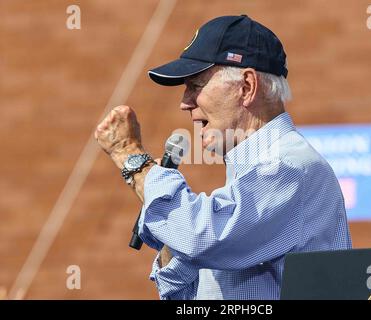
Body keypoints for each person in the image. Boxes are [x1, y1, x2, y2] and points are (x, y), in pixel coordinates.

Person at [95, 15, 352, 300]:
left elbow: (200, 238)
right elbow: (183, 291)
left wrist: (131, 156)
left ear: (246, 87)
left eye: (196, 85)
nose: (185, 102)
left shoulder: (288, 166)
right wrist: (168, 228)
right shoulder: (251, 175)